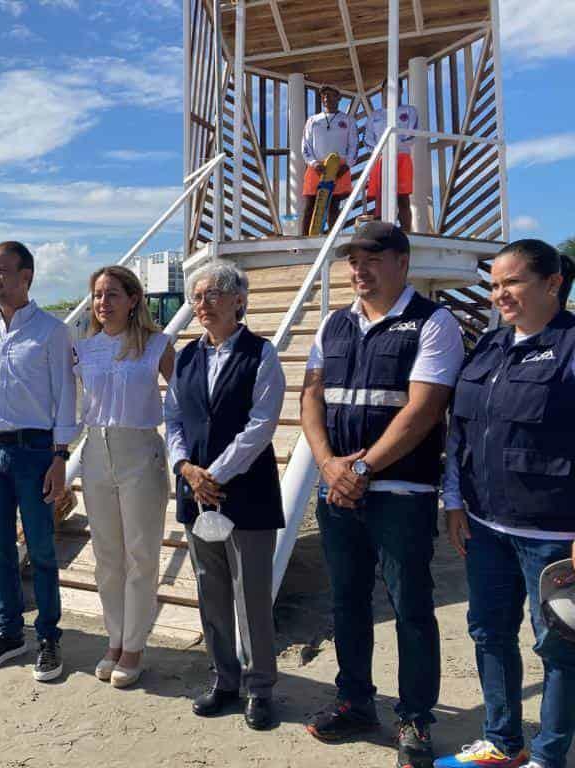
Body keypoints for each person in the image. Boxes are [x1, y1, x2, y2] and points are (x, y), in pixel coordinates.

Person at [300, 221, 464, 768]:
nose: (358, 271)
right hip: (339, 491)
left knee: (411, 607)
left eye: (371, 260)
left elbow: (424, 409)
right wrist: (327, 465)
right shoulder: (333, 323)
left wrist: (362, 468)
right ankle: (356, 702)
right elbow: (312, 399)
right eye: (352, 262)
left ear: (402, 262)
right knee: (346, 602)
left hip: (400, 493)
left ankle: (415, 718)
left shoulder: (434, 324)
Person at [435, 240, 575, 768]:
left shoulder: (570, 346)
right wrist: (453, 502)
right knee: (489, 633)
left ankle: (549, 756)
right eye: (494, 285)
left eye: (511, 282)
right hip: (484, 526)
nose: (500, 294)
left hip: (553, 533)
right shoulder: (488, 348)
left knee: (560, 647)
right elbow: (461, 433)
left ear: (552, 284)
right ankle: (503, 743)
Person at [163, 261, 286, 729]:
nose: (202, 304)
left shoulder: (262, 354)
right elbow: (173, 417)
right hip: (196, 494)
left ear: (239, 300)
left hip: (247, 493)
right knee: (209, 589)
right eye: (196, 297)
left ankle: (260, 688)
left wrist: (214, 473)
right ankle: (224, 679)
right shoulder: (188, 356)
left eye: (213, 294)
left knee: (251, 594)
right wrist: (185, 468)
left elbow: (261, 425)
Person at [0, 241, 78, 682]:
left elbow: (66, 397)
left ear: (26, 276)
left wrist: (60, 456)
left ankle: (48, 636)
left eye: (2, 271)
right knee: (1, 547)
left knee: (42, 549)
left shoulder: (51, 331)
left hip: (35, 451)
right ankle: (9, 632)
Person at [74, 265, 175, 688]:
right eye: (98, 295)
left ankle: (134, 645)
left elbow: (183, 402)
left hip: (140, 451)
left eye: (112, 294)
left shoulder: (157, 345)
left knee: (141, 555)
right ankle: (114, 638)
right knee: (107, 557)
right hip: (95, 451)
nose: (103, 302)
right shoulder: (84, 349)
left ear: (133, 299)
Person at [301, 85, 358, 235]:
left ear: (339, 98)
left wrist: (346, 166)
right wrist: (314, 164)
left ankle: (334, 237)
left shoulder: (348, 120)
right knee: (310, 206)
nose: (326, 98)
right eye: (324, 95)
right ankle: (303, 240)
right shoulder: (313, 120)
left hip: (339, 168)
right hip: (316, 167)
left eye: (331, 95)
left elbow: (353, 146)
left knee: (334, 206)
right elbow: (305, 146)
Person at [365, 87, 419, 231]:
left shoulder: (409, 111)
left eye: (394, 88)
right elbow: (368, 140)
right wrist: (383, 149)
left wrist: (394, 146)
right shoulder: (375, 115)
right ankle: (381, 231)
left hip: (402, 157)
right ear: (382, 91)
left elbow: (412, 134)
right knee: (380, 198)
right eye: (387, 89)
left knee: (403, 197)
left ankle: (406, 231)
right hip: (381, 158)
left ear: (401, 90)